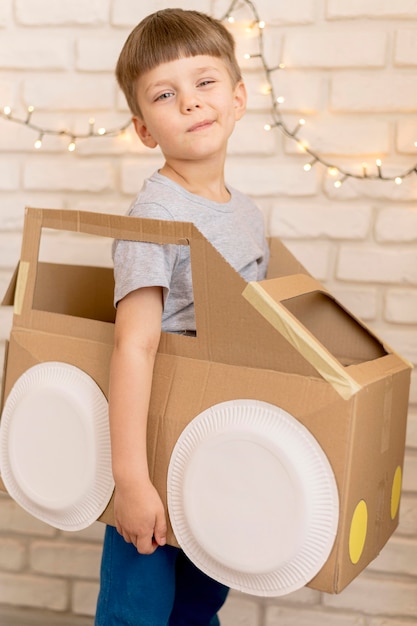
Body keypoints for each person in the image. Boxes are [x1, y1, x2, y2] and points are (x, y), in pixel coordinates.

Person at [95, 8, 270, 625]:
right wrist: (131, 482)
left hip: (217, 451)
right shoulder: (155, 217)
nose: (192, 103)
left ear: (238, 96)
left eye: (205, 82)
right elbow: (134, 347)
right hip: (158, 449)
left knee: (200, 605)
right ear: (145, 129)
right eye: (167, 94)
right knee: (138, 610)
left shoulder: (246, 213)